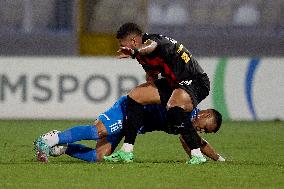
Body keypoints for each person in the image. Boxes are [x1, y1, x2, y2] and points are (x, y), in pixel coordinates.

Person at [105, 23, 211, 164]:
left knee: (174, 106)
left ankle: (197, 155)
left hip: (196, 81)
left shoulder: (155, 41)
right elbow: (151, 76)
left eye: (122, 44)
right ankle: (126, 151)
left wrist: (134, 52)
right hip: (174, 83)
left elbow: (150, 46)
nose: (121, 47)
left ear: (134, 41)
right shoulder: (140, 55)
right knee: (135, 95)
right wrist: (149, 97)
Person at [34, 96, 224, 163]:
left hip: (132, 128)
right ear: (205, 114)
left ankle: (64, 147)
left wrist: (219, 159)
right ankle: (49, 139)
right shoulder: (184, 108)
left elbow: (194, 144)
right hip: (127, 111)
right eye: (205, 128)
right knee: (97, 132)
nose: (201, 131)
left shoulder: (187, 125)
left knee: (97, 157)